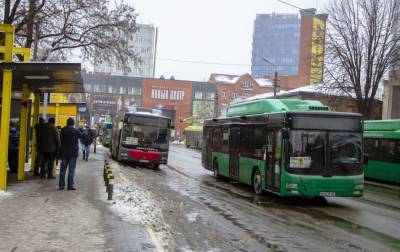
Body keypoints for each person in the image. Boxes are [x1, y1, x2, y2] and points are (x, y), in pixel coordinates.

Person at [59, 118, 83, 190]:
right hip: (73, 153)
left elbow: (60, 139)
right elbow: (82, 136)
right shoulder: (76, 131)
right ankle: (70, 185)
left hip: (64, 152)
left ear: (67, 123)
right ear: (73, 123)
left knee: (63, 170)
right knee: (71, 170)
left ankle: (61, 185)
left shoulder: (63, 130)